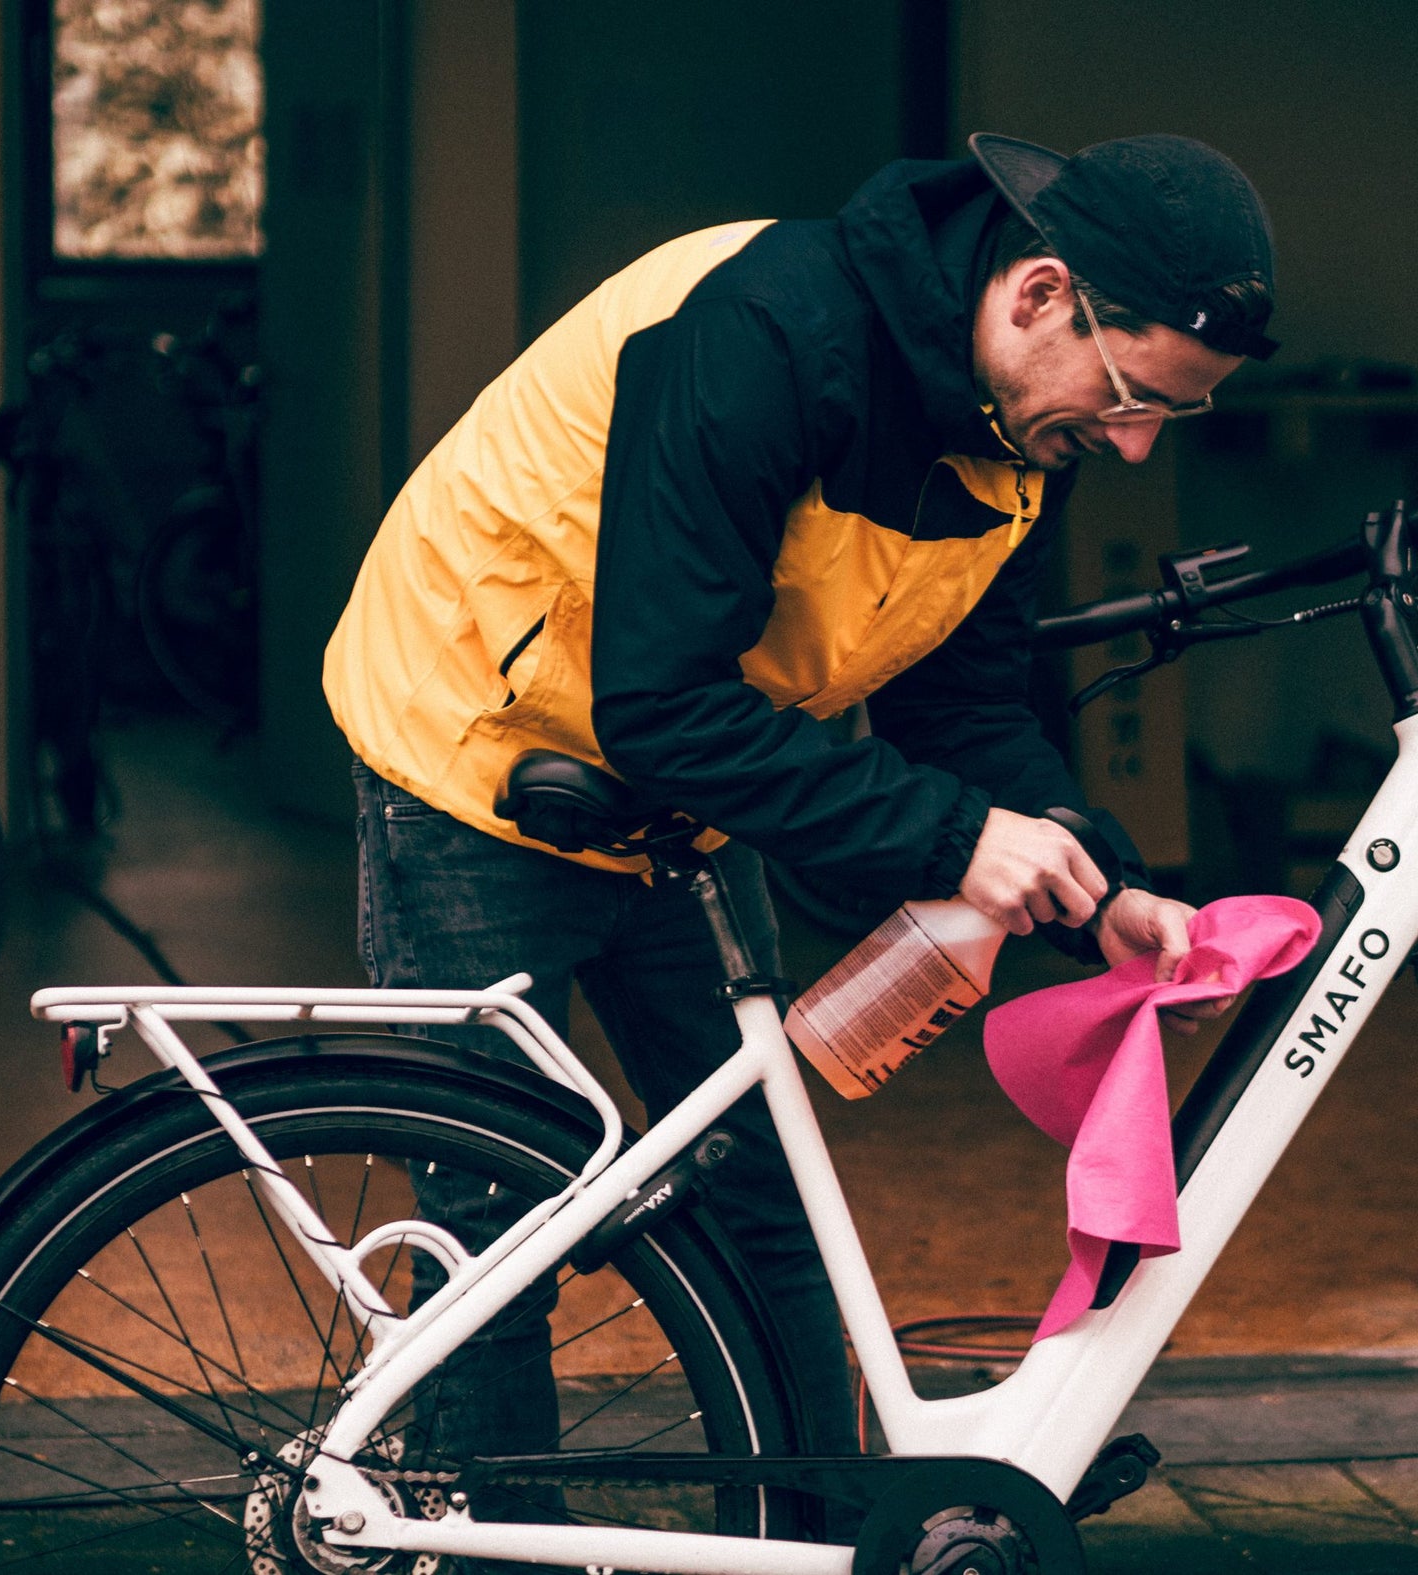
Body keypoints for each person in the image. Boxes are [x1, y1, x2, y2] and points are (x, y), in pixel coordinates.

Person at [323, 130, 1279, 1507]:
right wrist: (957, 840)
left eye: (1172, 418)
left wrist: (1101, 882)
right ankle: (483, 1535)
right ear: (1038, 294)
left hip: (688, 770)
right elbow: (659, 702)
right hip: (480, 736)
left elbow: (966, 704)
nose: (1134, 445)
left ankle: (802, 1534)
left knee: (759, 1197)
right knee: (497, 1214)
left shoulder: (1021, 425)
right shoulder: (765, 334)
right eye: (1137, 395)